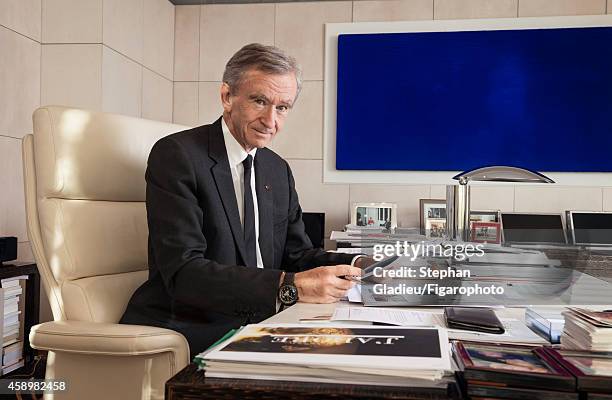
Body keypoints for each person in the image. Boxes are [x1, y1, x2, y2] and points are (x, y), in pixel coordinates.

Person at [120, 43, 369, 357]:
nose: (270, 120)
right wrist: (290, 286)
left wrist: (360, 265)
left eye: (282, 107)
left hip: (265, 318)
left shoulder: (277, 169)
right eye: (259, 101)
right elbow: (185, 273)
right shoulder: (178, 155)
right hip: (191, 325)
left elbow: (297, 255)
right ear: (227, 97)